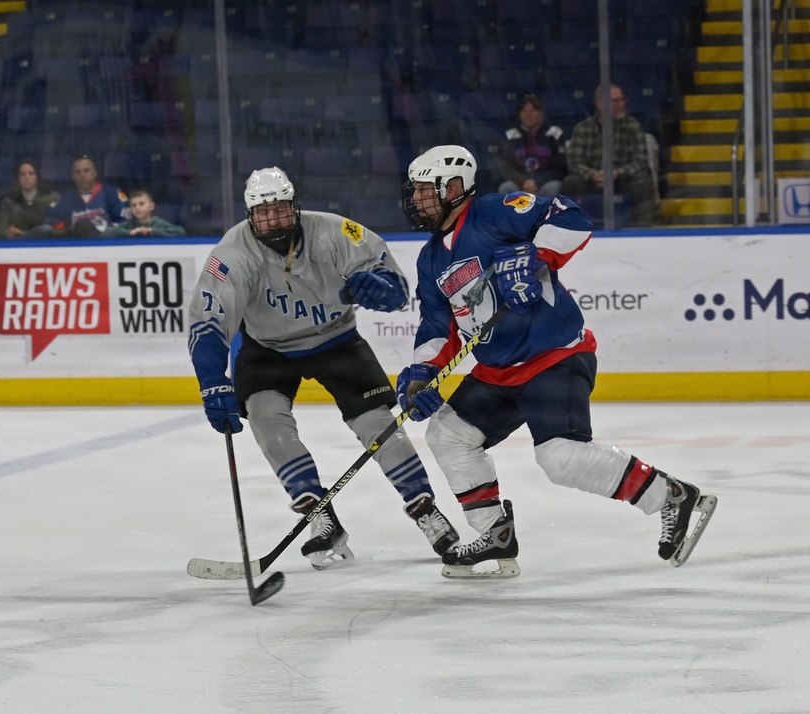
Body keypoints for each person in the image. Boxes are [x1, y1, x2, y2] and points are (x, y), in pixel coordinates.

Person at [397, 145, 716, 578]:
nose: (417, 199)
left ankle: (671, 495)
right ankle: (495, 534)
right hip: (497, 371)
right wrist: (422, 374)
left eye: (424, 190)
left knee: (560, 458)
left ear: (454, 188)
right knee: (449, 434)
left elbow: (570, 217)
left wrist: (535, 256)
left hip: (554, 356)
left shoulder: (496, 211)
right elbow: (438, 325)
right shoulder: (431, 257)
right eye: (414, 191)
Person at [187, 166, 460, 570]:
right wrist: (212, 382)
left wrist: (381, 290)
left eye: (280, 210)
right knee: (266, 419)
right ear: (250, 216)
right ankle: (320, 516)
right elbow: (207, 322)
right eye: (262, 214)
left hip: (337, 339)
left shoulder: (335, 231)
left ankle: (425, 511)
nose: (272, 220)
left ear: (295, 207)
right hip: (268, 348)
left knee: (379, 425)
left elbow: (396, 287)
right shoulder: (231, 253)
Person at [562, 84, 655, 226]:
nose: (622, 104)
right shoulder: (583, 128)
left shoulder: (633, 126)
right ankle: (572, 226)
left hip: (621, 180)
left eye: (622, 100)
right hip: (593, 181)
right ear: (600, 104)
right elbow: (574, 163)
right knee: (570, 182)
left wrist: (616, 173)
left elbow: (640, 161)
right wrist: (593, 175)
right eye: (616, 101)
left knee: (642, 180)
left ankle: (642, 227)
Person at [496, 93, 567, 198]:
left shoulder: (555, 134)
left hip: (545, 183)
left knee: (553, 187)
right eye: (524, 111)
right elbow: (507, 168)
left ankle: (547, 214)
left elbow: (560, 167)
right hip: (520, 184)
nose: (527, 115)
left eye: (532, 111)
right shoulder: (510, 136)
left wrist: (537, 182)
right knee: (506, 188)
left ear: (541, 113)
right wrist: (523, 182)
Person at [43, 155, 130, 237]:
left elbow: (126, 223)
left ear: (95, 173)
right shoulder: (64, 200)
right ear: (72, 176)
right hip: (76, 247)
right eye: (78, 172)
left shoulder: (112, 194)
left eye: (86, 170)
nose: (82, 175)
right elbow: (53, 227)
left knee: (83, 223)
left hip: (106, 246)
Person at [0, 159, 60, 239]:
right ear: (18, 179)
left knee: (45, 229)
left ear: (37, 177)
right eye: (23, 174)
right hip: (18, 247)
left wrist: (26, 234)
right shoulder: (9, 203)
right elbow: (1, 231)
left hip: (46, 245)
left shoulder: (52, 198)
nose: (27, 177)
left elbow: (61, 229)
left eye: (31, 174)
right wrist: (9, 233)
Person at [104, 189, 185, 237]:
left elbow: (180, 232)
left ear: (151, 206)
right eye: (133, 205)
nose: (137, 208)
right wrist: (129, 233)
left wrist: (152, 232)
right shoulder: (129, 225)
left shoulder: (159, 223)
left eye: (141, 204)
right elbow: (107, 233)